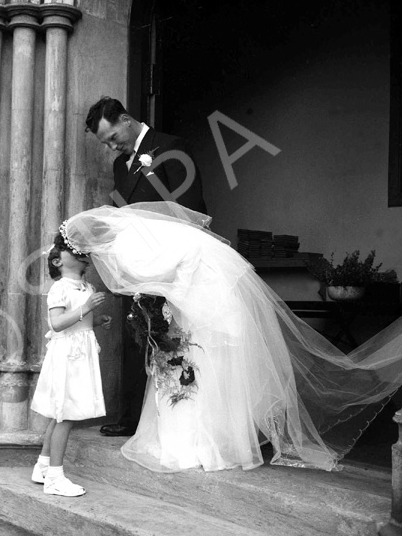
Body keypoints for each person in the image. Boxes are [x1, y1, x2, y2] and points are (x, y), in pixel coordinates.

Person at [61, 202, 402, 473]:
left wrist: (154, 308)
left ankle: (208, 443)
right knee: (200, 363)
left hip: (207, 295)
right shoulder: (135, 233)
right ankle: (211, 439)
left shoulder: (126, 245)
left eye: (85, 256)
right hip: (196, 294)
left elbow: (170, 270)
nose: (91, 263)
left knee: (207, 361)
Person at [85, 96, 207, 437]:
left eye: (112, 138)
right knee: (139, 333)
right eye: (105, 143)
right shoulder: (119, 167)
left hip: (173, 260)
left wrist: (173, 260)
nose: (111, 147)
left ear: (126, 120)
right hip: (139, 265)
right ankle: (133, 419)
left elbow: (191, 207)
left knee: (176, 337)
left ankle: (178, 417)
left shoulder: (170, 147)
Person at [30, 232, 112, 496]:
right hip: (67, 355)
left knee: (60, 413)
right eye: (68, 249)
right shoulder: (60, 288)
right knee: (65, 413)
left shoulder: (86, 288)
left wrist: (97, 321)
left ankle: (42, 466)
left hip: (81, 351)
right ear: (58, 262)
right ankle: (55, 477)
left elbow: (80, 321)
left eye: (79, 250)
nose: (77, 252)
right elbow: (56, 324)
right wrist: (87, 308)